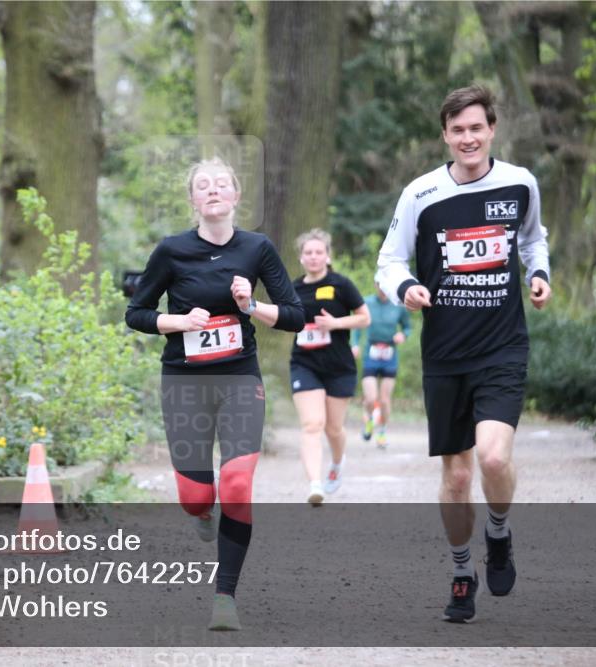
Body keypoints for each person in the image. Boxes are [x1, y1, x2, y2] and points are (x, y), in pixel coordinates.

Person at [375, 85, 551, 623]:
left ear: (492, 128)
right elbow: (388, 261)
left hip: (501, 346)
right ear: (445, 136)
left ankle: (498, 534)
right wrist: (405, 287)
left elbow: (533, 239)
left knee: (494, 458)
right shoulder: (420, 195)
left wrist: (538, 273)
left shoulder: (520, 183)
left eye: (477, 127)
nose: (468, 138)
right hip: (445, 352)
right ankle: (460, 571)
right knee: (455, 477)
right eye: (458, 130)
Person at [125, 157, 304, 631]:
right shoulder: (171, 251)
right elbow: (136, 313)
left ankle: (225, 594)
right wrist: (178, 322)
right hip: (184, 382)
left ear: (236, 196)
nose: (212, 191)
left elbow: (294, 315)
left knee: (238, 485)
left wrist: (252, 306)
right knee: (194, 496)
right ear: (193, 200)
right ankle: (200, 511)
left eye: (221, 184)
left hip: (239, 380)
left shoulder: (257, 248)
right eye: (202, 186)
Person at [289, 229, 370, 506]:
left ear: (328, 256)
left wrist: (335, 324)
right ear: (301, 258)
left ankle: (337, 461)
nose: (313, 257)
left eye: (318, 252)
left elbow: (364, 319)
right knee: (312, 424)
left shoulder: (341, 284)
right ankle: (315, 484)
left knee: (333, 429)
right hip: (304, 363)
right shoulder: (293, 288)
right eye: (308, 253)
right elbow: (283, 317)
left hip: (338, 364)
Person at [351, 279, 412, 449]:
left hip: (390, 356)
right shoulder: (367, 302)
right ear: (375, 285)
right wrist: (354, 344)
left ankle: (382, 431)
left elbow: (407, 327)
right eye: (379, 285)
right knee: (371, 398)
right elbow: (357, 326)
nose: (382, 289)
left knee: (385, 400)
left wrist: (403, 335)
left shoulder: (398, 305)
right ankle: (370, 420)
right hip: (371, 354)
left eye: (386, 285)